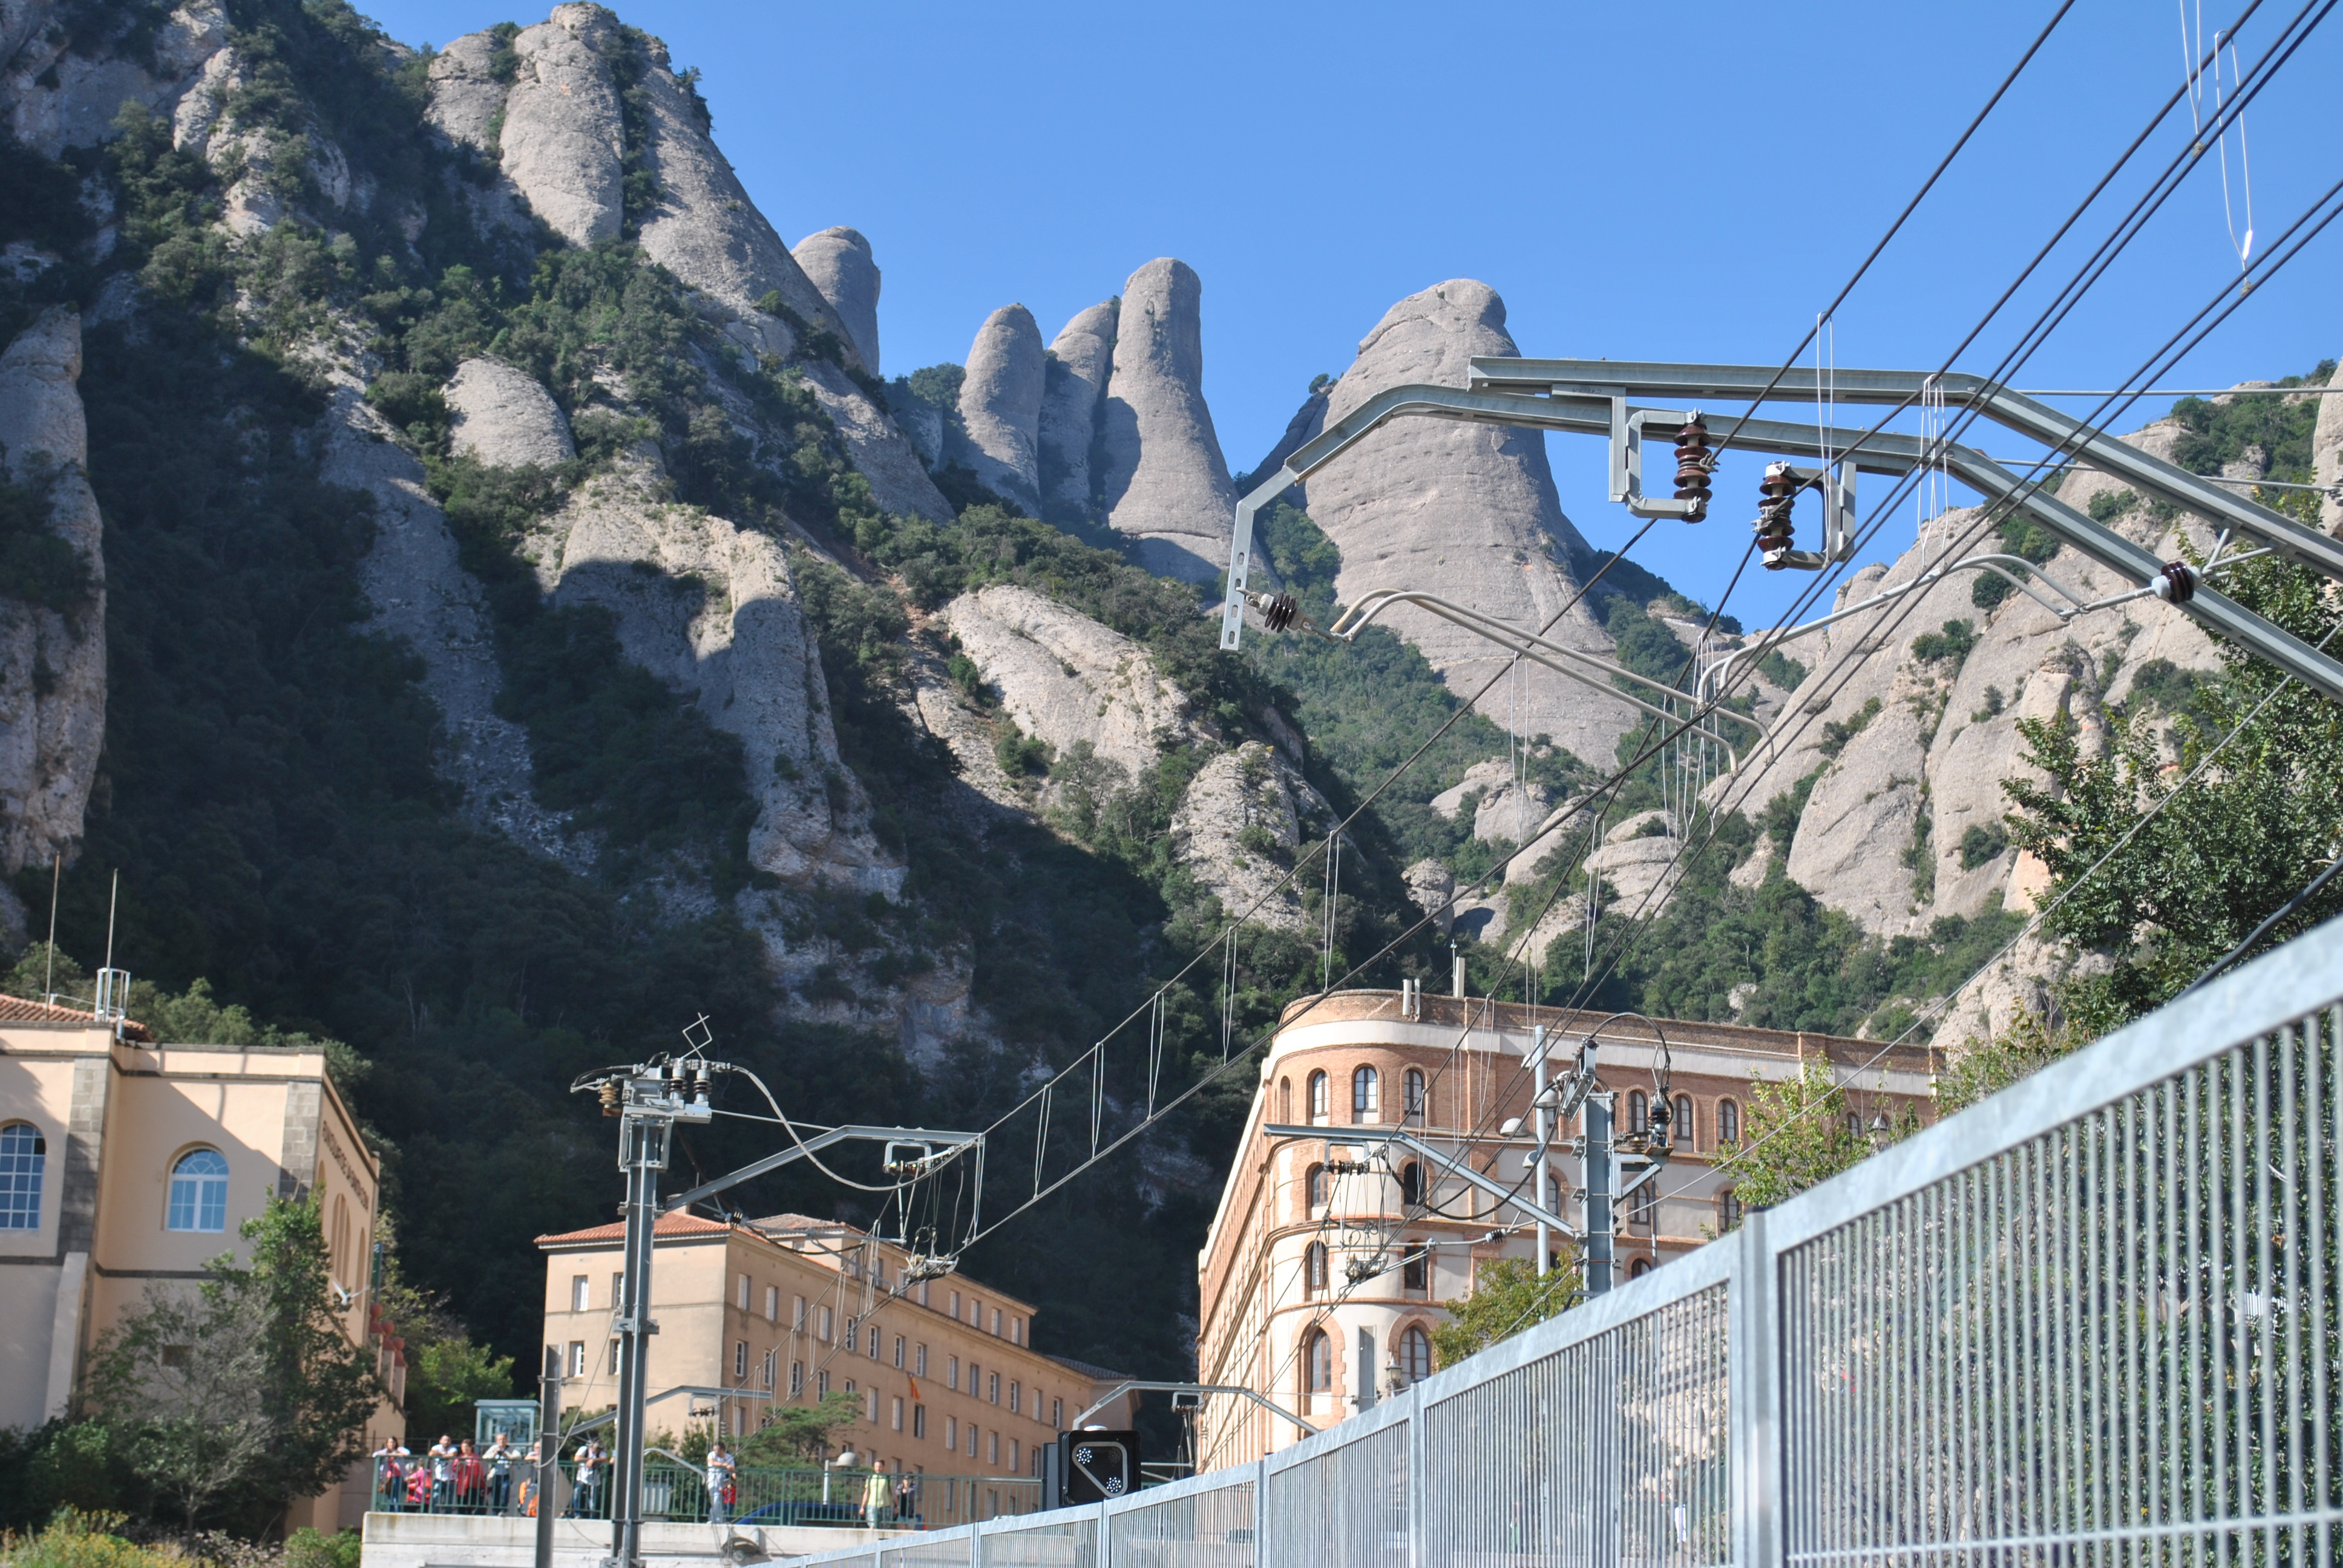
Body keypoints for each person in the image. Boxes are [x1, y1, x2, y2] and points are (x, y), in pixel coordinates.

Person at [704, 1439, 736, 1524]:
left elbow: (733, 1470)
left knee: (721, 1501)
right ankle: (715, 1519)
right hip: (713, 1479)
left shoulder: (729, 1457)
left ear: (722, 1450)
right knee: (716, 1498)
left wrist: (733, 1478)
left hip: (724, 1481)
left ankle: (718, 1519)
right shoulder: (711, 1455)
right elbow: (712, 1462)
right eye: (714, 1450)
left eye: (717, 1450)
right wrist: (725, 1465)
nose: (715, 1452)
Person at [485, 1432, 517, 1515]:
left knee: (505, 1491)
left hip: (506, 1474)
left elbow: (518, 1456)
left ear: (506, 1440)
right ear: (497, 1441)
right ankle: (496, 1511)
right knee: (496, 1493)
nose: (502, 1441)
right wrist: (494, 1453)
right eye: (500, 1439)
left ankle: (503, 1509)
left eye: (503, 1439)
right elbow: (485, 1457)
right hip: (496, 1475)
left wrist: (507, 1456)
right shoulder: (494, 1448)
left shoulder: (511, 1448)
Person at [454, 1437, 487, 1512]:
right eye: (463, 1447)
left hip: (473, 1484)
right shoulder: (459, 1458)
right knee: (461, 1504)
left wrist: (481, 1482)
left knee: (471, 1505)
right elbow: (456, 1470)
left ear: (471, 1447)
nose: (465, 1449)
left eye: (466, 1447)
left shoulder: (476, 1457)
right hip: (461, 1484)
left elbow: (480, 1471)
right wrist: (462, 1463)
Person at [429, 1434, 458, 1512]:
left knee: (449, 1500)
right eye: (445, 1440)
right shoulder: (436, 1447)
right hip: (438, 1478)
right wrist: (444, 1455)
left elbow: (452, 1454)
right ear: (440, 1441)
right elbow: (431, 1453)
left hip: (450, 1479)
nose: (446, 1442)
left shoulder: (453, 1448)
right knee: (436, 1498)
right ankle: (434, 1514)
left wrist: (440, 1455)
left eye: (448, 1440)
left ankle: (448, 1515)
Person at [862, 1459, 889, 1530]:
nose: (878, 1469)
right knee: (872, 1526)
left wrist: (897, 1506)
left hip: (884, 1505)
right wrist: (862, 1507)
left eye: (880, 1467)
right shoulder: (870, 1478)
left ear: (883, 1467)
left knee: (884, 1528)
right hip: (872, 1504)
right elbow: (866, 1493)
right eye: (876, 1467)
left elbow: (892, 1493)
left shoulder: (887, 1478)